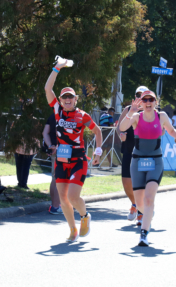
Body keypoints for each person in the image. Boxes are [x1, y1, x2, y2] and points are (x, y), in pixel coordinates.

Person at [119, 90, 176, 246]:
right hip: (137, 161)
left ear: (155, 102)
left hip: (156, 161)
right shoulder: (136, 117)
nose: (148, 102)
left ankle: (143, 234)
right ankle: (147, 214)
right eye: (145, 100)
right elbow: (122, 127)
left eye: (151, 99)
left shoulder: (162, 117)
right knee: (140, 203)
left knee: (149, 198)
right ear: (142, 103)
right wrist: (130, 111)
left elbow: (172, 131)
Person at [44, 58, 102, 242]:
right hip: (61, 159)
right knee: (63, 198)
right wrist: (57, 68)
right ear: (60, 100)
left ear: (76, 99)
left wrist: (98, 152)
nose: (67, 100)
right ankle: (72, 230)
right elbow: (48, 89)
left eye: (71, 97)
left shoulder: (82, 115)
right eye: (64, 97)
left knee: (73, 196)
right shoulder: (57, 110)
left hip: (78, 159)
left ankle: (85, 217)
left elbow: (98, 131)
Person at [117, 86, 148, 223]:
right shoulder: (127, 109)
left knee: (141, 183)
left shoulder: (150, 111)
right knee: (126, 182)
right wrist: (121, 134)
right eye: (138, 95)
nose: (140, 97)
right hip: (129, 149)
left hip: (145, 152)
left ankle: (141, 211)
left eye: (143, 95)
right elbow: (119, 127)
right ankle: (135, 203)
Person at [42, 113, 62, 215]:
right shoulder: (68, 115)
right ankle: (56, 206)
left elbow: (45, 133)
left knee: (55, 178)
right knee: (61, 179)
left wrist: (50, 145)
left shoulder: (52, 116)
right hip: (64, 151)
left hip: (55, 149)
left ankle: (55, 205)